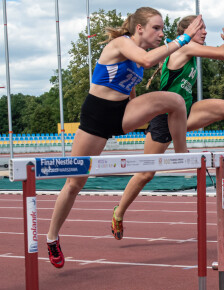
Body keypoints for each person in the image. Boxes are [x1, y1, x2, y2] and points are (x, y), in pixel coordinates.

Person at [45, 8, 203, 268]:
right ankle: (52, 237)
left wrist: (137, 113)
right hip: (96, 115)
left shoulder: (142, 56)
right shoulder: (122, 43)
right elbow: (146, 60)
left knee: (175, 100)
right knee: (74, 183)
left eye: (163, 29)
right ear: (139, 28)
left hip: (121, 113)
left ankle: (181, 152)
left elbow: (131, 87)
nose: (161, 33)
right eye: (156, 28)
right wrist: (184, 38)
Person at [111, 16, 224, 241]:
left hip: (186, 112)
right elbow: (223, 53)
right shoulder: (184, 47)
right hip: (164, 118)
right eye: (201, 29)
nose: (204, 33)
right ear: (188, 30)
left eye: (205, 29)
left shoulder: (190, 52)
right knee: (145, 174)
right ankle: (119, 212)